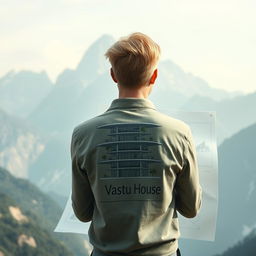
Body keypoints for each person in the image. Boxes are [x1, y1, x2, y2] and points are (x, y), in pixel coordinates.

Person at [71, 32, 202, 256]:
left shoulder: (83, 134)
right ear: (154, 76)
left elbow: (82, 213)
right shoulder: (180, 133)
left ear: (113, 75)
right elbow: (191, 209)